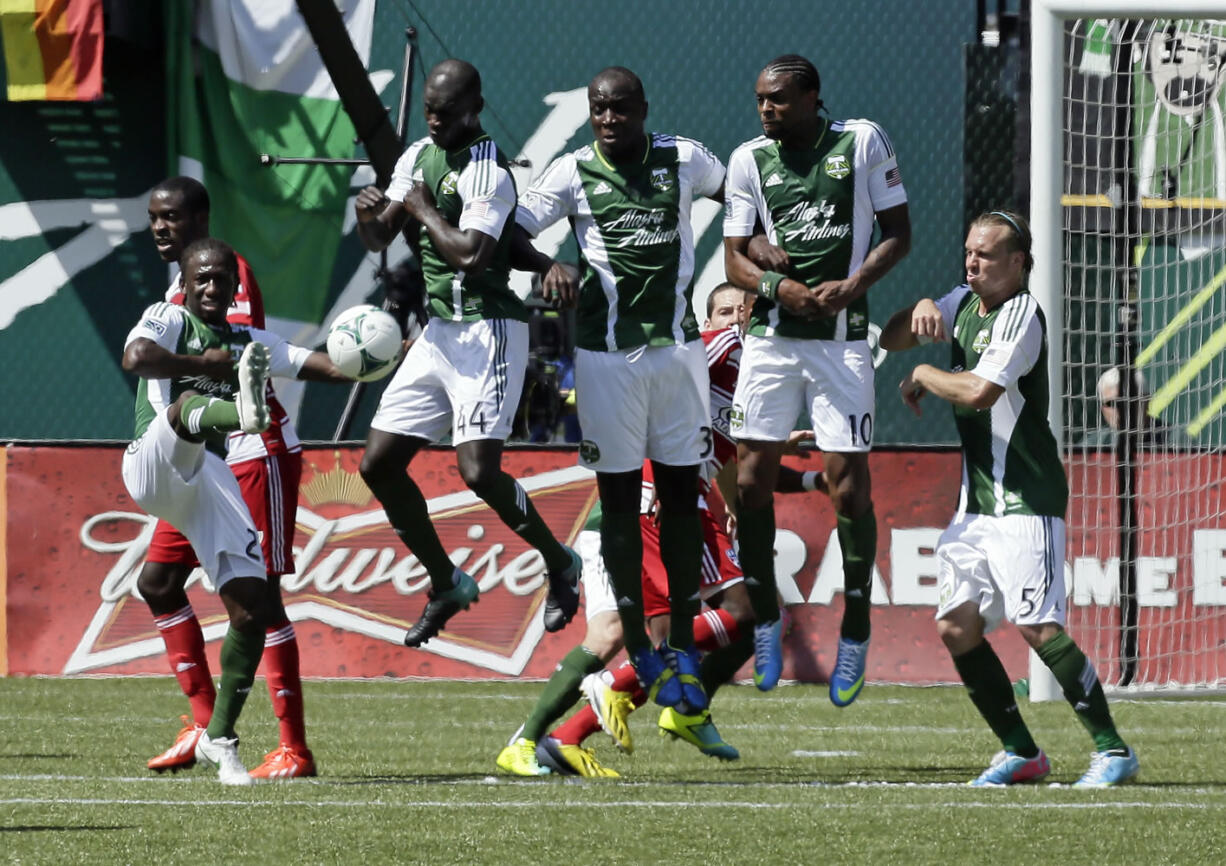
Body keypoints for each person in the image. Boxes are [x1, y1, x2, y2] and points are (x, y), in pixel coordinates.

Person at [495, 284, 824, 778]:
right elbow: (656, 394)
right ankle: (615, 704)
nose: (733, 318)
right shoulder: (722, 348)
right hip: (656, 500)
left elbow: (732, 458)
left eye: (740, 310)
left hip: (670, 498)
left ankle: (570, 734)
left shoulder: (756, 375)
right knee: (740, 612)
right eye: (724, 311)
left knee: (681, 635)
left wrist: (797, 474)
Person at [879, 210, 1140, 787]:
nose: (972, 262)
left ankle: (1113, 750)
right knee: (954, 625)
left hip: (1026, 497)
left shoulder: (1022, 315)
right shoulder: (963, 301)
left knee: (1037, 627)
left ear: (1018, 263)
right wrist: (919, 310)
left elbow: (978, 391)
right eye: (969, 252)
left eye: (986, 254)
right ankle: (1022, 751)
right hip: (978, 504)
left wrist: (924, 368)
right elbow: (892, 335)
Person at [514, 66, 726, 716]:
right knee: (618, 505)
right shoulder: (572, 171)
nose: (610, 119)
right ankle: (638, 640)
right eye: (599, 110)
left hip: (678, 354)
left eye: (621, 108)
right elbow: (508, 230)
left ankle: (683, 644)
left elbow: (740, 195)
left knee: (683, 496)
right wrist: (548, 263)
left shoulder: (685, 158)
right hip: (606, 362)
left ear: (642, 107)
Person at [352, 59, 581, 647]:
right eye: (429, 107)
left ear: (474, 109)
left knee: (478, 471)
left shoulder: (488, 169)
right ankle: (446, 581)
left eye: (445, 111)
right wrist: (366, 215)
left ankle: (560, 563)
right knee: (377, 464)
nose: (433, 118)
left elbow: (473, 255)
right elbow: (380, 235)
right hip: (439, 334)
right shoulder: (416, 157)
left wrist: (422, 209)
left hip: (489, 332)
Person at [122, 238, 354, 784]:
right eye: (200, 278)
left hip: (204, 479)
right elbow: (135, 357)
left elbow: (318, 365)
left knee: (251, 606)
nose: (209, 287)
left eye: (220, 279)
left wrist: (375, 358)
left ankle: (220, 740)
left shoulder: (247, 339)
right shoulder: (168, 318)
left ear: (233, 286)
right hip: (151, 464)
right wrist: (199, 364)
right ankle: (240, 413)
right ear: (184, 283)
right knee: (184, 408)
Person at [723, 54, 911, 701]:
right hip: (773, 341)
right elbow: (733, 258)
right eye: (759, 99)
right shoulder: (749, 159)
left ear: (811, 98)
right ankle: (767, 620)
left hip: (841, 344)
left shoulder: (860, 142)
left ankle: (855, 628)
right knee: (748, 479)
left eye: (777, 99)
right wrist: (777, 281)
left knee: (848, 487)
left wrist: (855, 283)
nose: (766, 110)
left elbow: (899, 234)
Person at [140, 176, 316, 780]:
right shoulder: (175, 286)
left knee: (260, 601)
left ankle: (292, 747)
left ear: (202, 219)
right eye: (154, 217)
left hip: (250, 452)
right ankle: (207, 725)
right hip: (201, 461)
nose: (161, 226)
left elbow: (233, 358)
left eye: (172, 216)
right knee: (159, 582)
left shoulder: (223, 272)